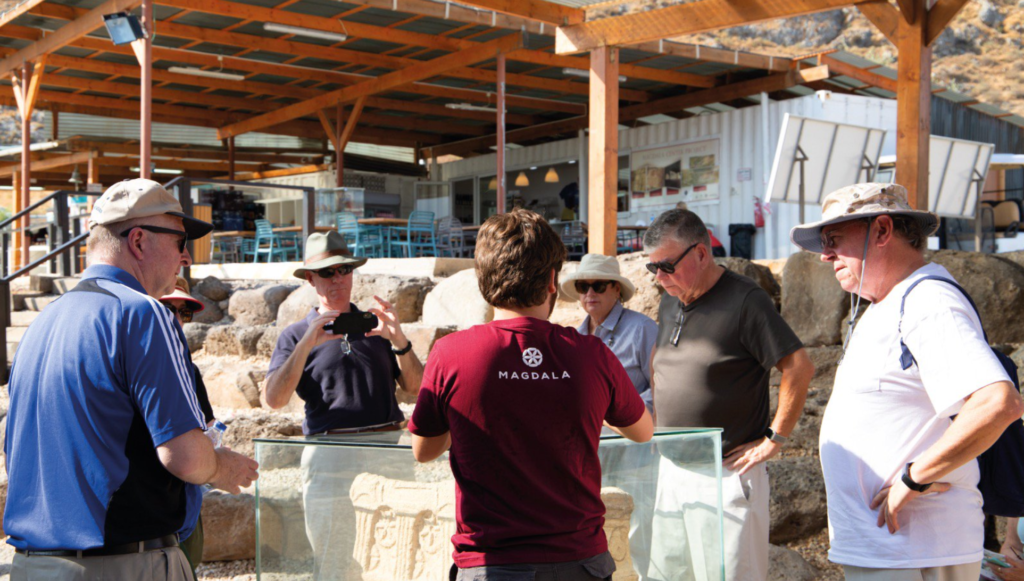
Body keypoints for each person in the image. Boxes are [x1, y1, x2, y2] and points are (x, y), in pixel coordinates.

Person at [4, 178, 258, 581]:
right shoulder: (143, 314)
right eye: (179, 240)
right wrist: (220, 467)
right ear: (139, 241)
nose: (187, 257)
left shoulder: (42, 323)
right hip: (121, 564)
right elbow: (185, 456)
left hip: (34, 565)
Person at [790, 182, 1023, 581]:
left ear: (882, 231)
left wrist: (915, 477)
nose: (825, 254)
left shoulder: (928, 302)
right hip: (895, 550)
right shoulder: (892, 303)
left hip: (914, 552)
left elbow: (997, 403)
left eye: (834, 239)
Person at [409, 208, 654, 581]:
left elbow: (423, 451)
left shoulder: (450, 353)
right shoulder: (592, 354)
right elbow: (643, 431)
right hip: (581, 562)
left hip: (492, 564)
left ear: (483, 279)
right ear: (553, 281)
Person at [644, 208, 814, 581]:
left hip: (725, 473)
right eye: (651, 267)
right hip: (672, 468)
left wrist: (775, 438)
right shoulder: (671, 298)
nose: (659, 278)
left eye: (667, 265)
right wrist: (658, 422)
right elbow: (662, 363)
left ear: (701, 254)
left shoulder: (746, 300)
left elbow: (798, 366)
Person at [263, 230, 424, 580]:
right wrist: (307, 343)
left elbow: (416, 387)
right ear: (310, 279)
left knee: (400, 554)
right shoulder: (295, 335)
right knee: (334, 557)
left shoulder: (374, 325)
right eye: (327, 272)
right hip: (330, 452)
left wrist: (400, 340)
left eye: (345, 269)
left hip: (387, 448)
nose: (338, 278)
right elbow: (273, 400)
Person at [159, 276, 216, 578]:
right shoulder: (136, 362)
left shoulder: (188, 368)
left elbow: (207, 425)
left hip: (187, 501)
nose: (178, 319)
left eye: (184, 312)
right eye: (169, 308)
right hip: (150, 515)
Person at [561, 253, 657, 412]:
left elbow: (660, 388)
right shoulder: (575, 337)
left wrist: (624, 416)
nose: (590, 293)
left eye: (598, 286)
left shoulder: (642, 328)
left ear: (616, 289)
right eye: (583, 287)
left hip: (628, 433)